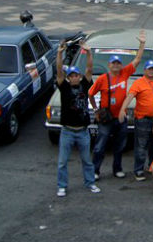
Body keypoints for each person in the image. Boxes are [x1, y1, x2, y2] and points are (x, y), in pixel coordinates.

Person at [90, 29, 146, 180]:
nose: (116, 65)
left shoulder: (124, 73)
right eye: (113, 63)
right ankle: (95, 171)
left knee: (120, 146)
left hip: (121, 118)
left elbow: (137, 60)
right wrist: (96, 110)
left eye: (118, 63)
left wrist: (142, 44)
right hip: (106, 119)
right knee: (100, 146)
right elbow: (90, 94)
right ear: (109, 65)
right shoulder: (102, 79)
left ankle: (117, 169)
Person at [55, 40, 100, 197]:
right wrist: (60, 53)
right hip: (67, 131)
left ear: (79, 77)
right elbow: (59, 70)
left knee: (87, 160)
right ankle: (62, 186)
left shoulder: (85, 85)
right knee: (62, 162)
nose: (74, 78)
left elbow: (90, 68)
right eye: (71, 76)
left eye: (76, 75)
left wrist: (88, 53)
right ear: (68, 78)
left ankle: (90, 183)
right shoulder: (64, 86)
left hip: (83, 131)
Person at [119, 60, 153, 181]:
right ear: (144, 70)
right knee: (141, 146)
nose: (151, 71)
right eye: (149, 69)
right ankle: (138, 170)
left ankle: (152, 166)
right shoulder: (138, 83)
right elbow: (130, 97)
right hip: (143, 119)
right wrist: (123, 109)